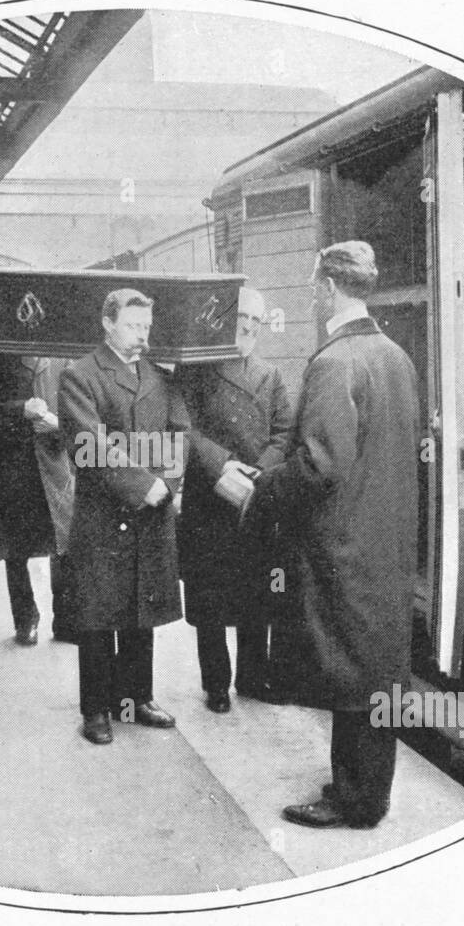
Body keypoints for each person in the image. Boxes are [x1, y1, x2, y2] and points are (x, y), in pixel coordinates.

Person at [245, 242, 420, 829]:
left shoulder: (335, 362)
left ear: (326, 288)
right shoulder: (395, 356)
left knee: (351, 674)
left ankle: (356, 801)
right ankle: (367, 788)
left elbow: (320, 465)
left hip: (344, 547)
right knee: (374, 670)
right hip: (386, 544)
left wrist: (264, 488)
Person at [59, 288, 190, 745]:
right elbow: (89, 445)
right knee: (98, 615)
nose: (142, 335)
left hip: (151, 509)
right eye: (134, 325)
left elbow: (179, 433)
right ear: (108, 323)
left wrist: (169, 485)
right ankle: (96, 708)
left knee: (141, 607)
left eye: (147, 326)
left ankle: (135, 698)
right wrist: (144, 485)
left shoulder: (160, 375)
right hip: (103, 514)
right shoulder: (80, 374)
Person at [177, 287, 293, 713]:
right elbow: (183, 429)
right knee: (209, 601)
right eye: (241, 317)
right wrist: (223, 464)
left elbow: (284, 433)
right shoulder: (198, 369)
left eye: (256, 322)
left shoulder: (271, 375)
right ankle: (216, 685)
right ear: (227, 320)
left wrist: (260, 471)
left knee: (255, 597)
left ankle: (251, 678)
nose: (247, 327)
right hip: (211, 499)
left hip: (254, 501)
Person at [0, 352, 77, 645]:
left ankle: (66, 618)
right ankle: (25, 618)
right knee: (16, 545)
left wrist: (61, 427)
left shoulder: (64, 353)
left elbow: (82, 407)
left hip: (57, 461)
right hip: (15, 462)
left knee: (64, 541)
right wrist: (22, 410)